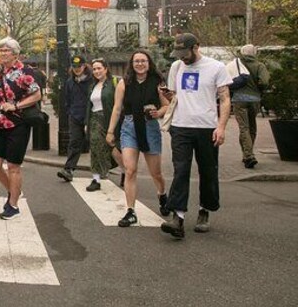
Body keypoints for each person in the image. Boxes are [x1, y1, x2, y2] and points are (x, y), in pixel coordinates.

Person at [160, 33, 232, 239]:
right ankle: (178, 218)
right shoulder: (176, 67)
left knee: (208, 171)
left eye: (185, 53)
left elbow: (225, 99)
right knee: (180, 170)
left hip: (207, 127)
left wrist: (221, 127)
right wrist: (168, 95)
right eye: (179, 54)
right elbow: (175, 96)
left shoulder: (216, 67)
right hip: (180, 126)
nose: (182, 58)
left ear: (196, 47)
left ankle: (204, 211)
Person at [106, 50, 170, 227]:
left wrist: (159, 113)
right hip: (129, 127)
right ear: (132, 64)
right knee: (130, 169)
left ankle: (162, 194)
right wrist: (111, 131)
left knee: (155, 173)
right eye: (136, 61)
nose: (140, 64)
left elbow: (167, 106)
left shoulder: (158, 83)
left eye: (143, 61)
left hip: (150, 128)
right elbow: (117, 109)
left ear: (149, 63)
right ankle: (130, 211)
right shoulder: (124, 83)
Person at [0, 37, 42, 220]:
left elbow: (37, 95)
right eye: (0, 50)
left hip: (19, 124)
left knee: (13, 166)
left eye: (6, 51)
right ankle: (14, 190)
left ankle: (13, 205)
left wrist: (16, 106)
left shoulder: (25, 72)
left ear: (15, 54)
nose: (2, 53)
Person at [230, 44, 270, 168]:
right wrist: (259, 88)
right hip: (254, 99)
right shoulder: (260, 66)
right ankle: (248, 154)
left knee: (244, 128)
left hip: (239, 99)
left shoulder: (237, 63)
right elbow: (264, 82)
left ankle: (248, 155)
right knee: (252, 127)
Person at [84, 59, 118, 192]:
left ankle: (124, 171)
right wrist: (86, 123)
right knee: (95, 146)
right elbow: (89, 105)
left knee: (114, 148)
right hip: (94, 119)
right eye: (95, 69)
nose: (97, 71)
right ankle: (96, 178)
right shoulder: (93, 85)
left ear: (106, 69)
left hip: (109, 118)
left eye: (99, 68)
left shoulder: (113, 84)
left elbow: (118, 104)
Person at [58, 56, 92, 182]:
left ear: (84, 66)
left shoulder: (92, 80)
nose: (77, 69)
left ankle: (109, 167)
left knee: (97, 143)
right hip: (75, 116)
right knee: (74, 142)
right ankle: (68, 169)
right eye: (74, 67)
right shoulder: (70, 82)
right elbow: (67, 99)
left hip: (90, 115)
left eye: (79, 66)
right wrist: (70, 112)